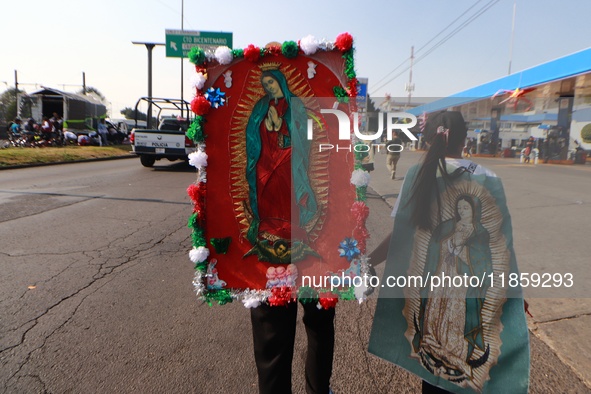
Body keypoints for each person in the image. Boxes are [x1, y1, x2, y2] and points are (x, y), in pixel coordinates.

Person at [367, 111, 530, 394]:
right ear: (465, 138)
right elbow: (502, 252)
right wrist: (515, 301)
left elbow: (402, 235)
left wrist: (368, 261)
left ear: (428, 139)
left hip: (441, 284)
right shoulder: (488, 178)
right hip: (466, 286)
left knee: (433, 366)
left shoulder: (419, 175)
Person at [246, 66, 333, 394]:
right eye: (265, 83)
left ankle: (316, 390)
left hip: (289, 159)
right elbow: (253, 138)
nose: (270, 86)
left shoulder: (296, 107)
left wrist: (286, 133)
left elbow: (306, 137)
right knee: (293, 327)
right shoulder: (260, 108)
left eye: (273, 82)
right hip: (267, 161)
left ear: (281, 82)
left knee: (315, 322)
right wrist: (267, 129)